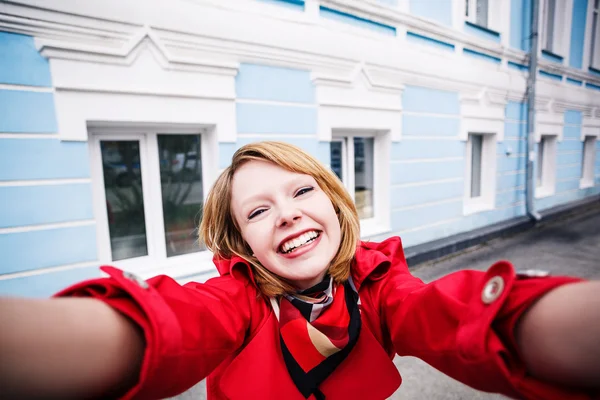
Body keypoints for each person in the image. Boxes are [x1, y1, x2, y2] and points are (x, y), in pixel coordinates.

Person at [1, 141, 599, 400]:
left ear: (335, 203)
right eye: (259, 210)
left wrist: (542, 322)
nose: (286, 215)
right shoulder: (234, 301)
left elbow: (451, 315)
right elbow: (171, 326)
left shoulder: (380, 283)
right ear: (243, 244)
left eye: (301, 191)